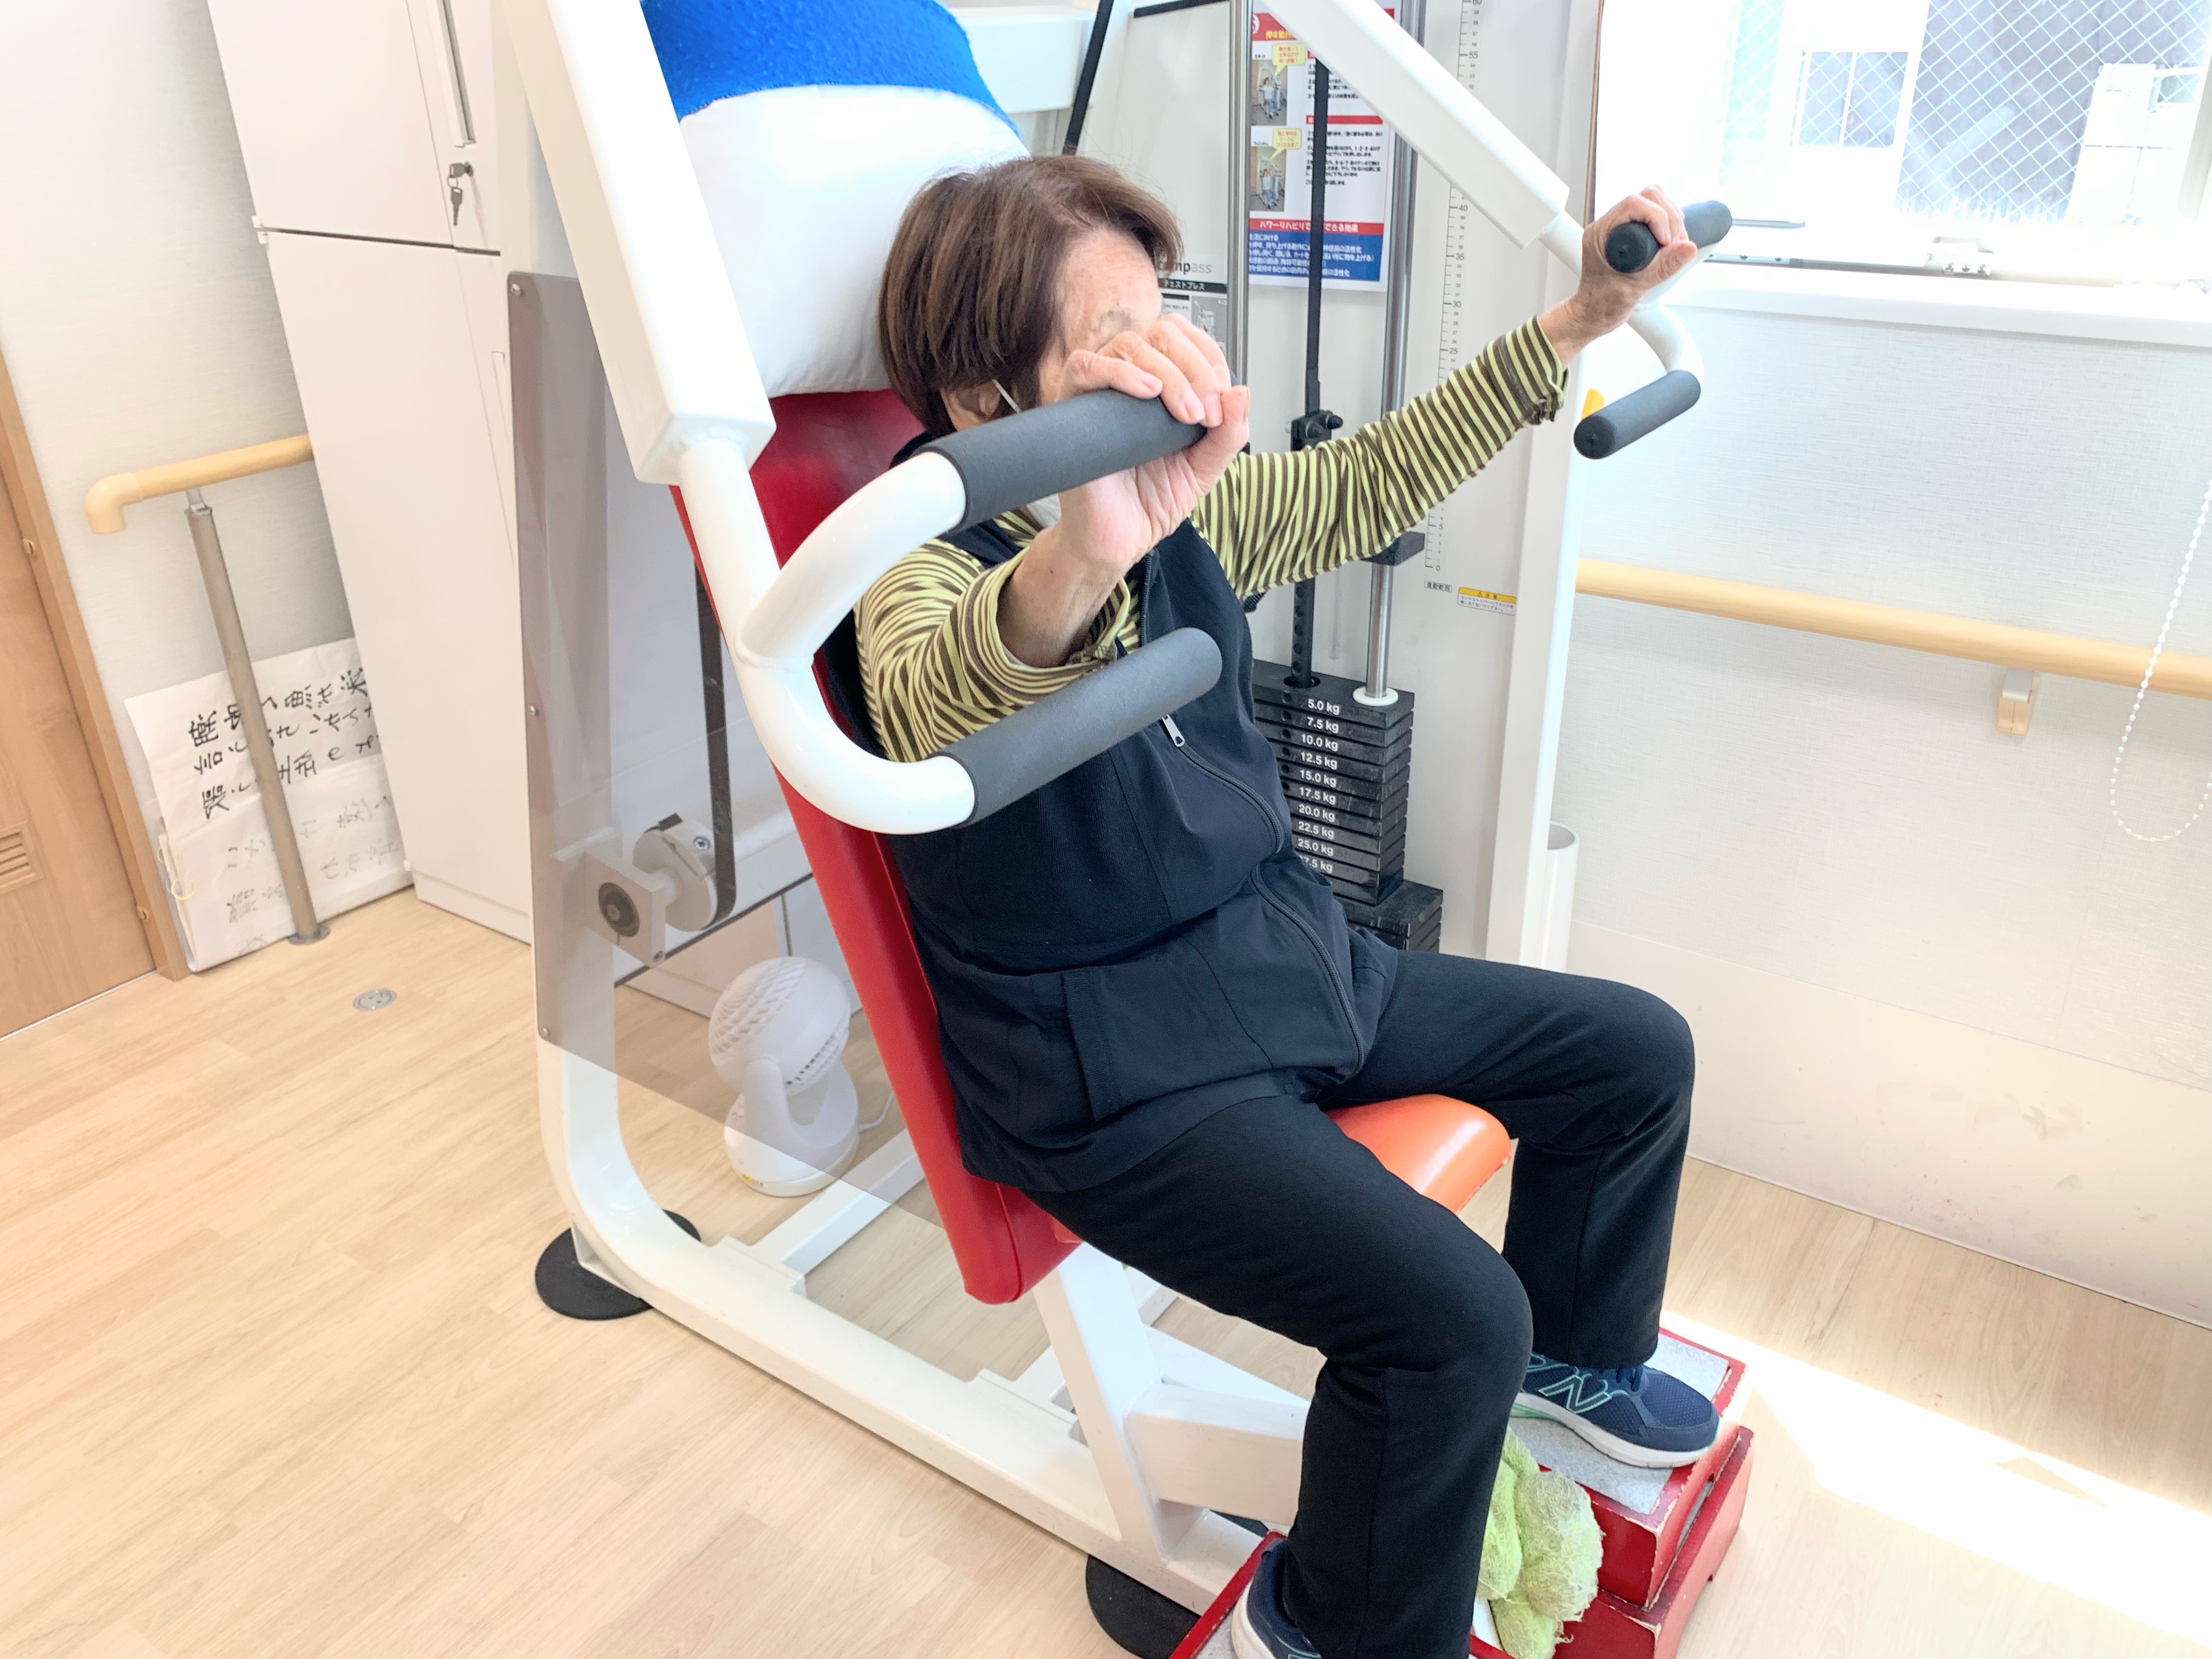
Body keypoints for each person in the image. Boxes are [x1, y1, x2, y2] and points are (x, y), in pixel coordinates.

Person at [851, 155, 1714, 1659]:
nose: (1166, 362)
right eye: (1115, 337)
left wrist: (1581, 319)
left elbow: (1369, 479)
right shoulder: (901, 556)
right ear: (989, 394)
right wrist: (1083, 548)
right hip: (1114, 1072)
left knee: (1634, 1054)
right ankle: (1321, 1629)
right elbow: (937, 695)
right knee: (1450, 1319)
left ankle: (1573, 1367)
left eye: (1162, 315)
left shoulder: (1183, 502)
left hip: (1280, 965)